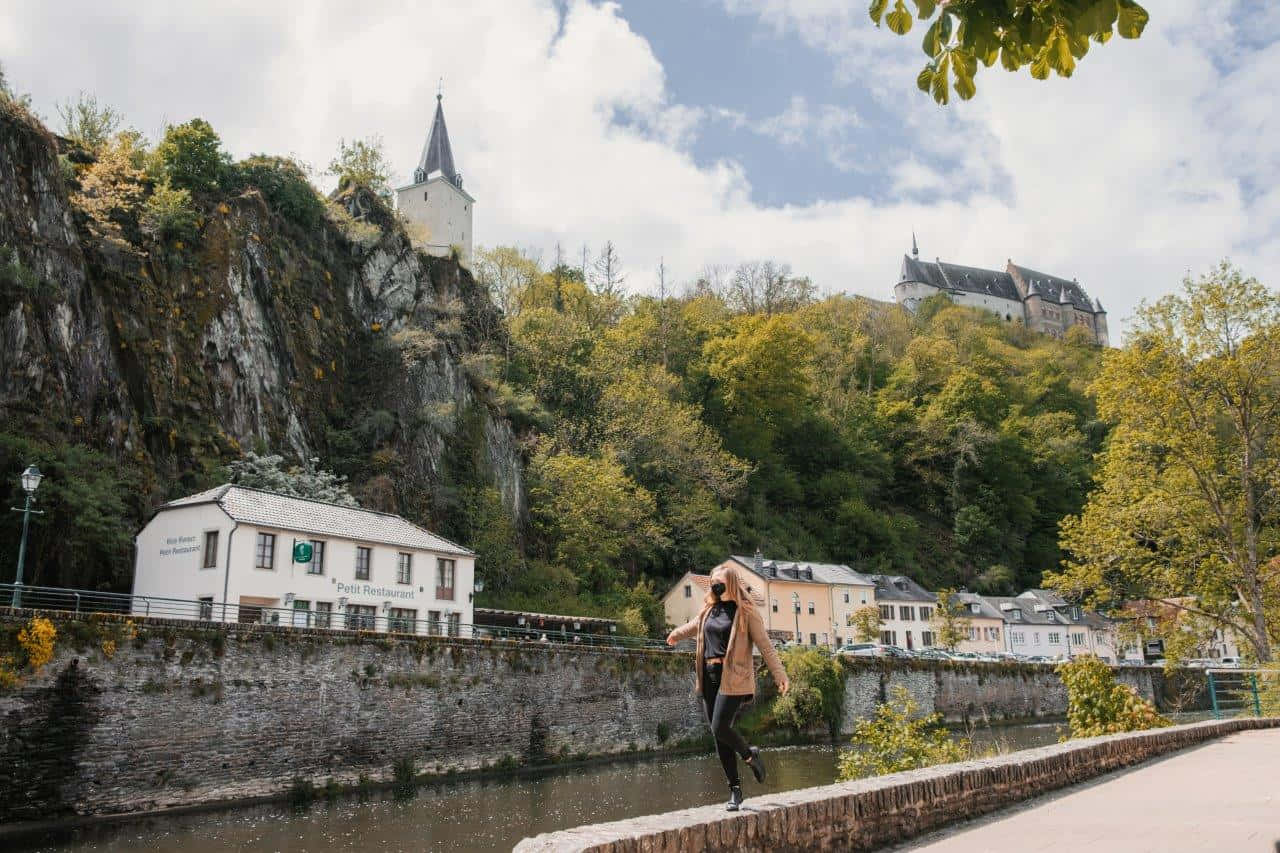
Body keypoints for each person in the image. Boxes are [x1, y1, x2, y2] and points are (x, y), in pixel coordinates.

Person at [666, 565, 790, 811]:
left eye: (719, 582)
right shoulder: (709, 609)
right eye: (713, 582)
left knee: (719, 726)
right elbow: (695, 626)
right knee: (719, 736)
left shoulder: (745, 612)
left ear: (731, 583)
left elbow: (765, 645)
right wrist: (676, 634)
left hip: (733, 677)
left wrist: (780, 674)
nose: (715, 586)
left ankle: (749, 754)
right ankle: (735, 790)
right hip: (709, 675)